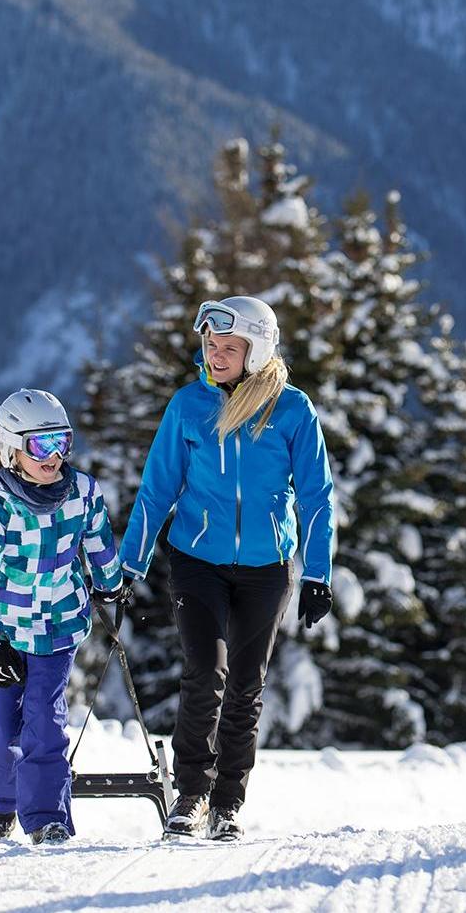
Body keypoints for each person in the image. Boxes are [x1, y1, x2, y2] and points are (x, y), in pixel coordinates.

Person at [119, 295, 336, 842]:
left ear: (257, 350)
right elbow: (156, 489)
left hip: (267, 567)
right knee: (204, 673)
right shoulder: (188, 406)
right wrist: (130, 563)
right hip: (197, 560)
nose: (215, 355)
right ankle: (189, 796)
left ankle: (228, 803)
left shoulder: (292, 410)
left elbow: (316, 497)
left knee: (245, 684)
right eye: (211, 345)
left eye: (228, 346)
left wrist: (317, 574)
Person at [0, 388, 125, 846]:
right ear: (12, 451)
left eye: (62, 443)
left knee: (44, 720)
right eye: (39, 446)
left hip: (57, 629)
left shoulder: (82, 493)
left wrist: (111, 582)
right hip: (6, 634)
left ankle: (46, 817)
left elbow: (97, 542)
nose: (53, 457)